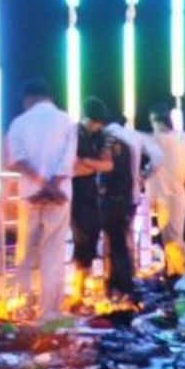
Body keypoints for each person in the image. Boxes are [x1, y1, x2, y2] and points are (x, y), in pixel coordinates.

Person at [4, 79, 77, 321]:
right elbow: (68, 158)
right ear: (49, 97)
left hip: (30, 195)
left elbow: (16, 160)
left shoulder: (19, 123)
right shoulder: (66, 120)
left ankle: (23, 307)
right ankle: (50, 310)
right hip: (60, 195)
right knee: (53, 252)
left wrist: (41, 184)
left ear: (28, 99)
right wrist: (53, 185)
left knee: (24, 252)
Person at [96, 111, 156, 300]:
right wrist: (144, 176)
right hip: (132, 197)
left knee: (112, 242)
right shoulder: (135, 136)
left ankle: (116, 285)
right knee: (125, 238)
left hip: (112, 197)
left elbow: (104, 169)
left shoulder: (108, 136)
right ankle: (128, 279)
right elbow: (158, 157)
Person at [69, 99, 114, 298]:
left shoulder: (99, 136)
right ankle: (77, 290)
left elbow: (108, 165)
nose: (98, 126)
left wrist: (86, 162)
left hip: (89, 190)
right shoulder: (72, 134)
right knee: (81, 237)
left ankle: (80, 288)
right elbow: (72, 168)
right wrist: (93, 165)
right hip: (74, 190)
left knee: (92, 234)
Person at [146, 108, 185, 276]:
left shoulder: (162, 141)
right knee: (173, 240)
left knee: (174, 241)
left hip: (169, 197)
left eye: (153, 122)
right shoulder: (182, 141)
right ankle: (176, 274)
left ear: (159, 123)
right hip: (178, 195)